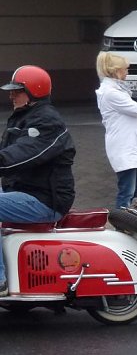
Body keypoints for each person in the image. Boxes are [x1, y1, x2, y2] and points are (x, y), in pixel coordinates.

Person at [0, 65, 76, 296]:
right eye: (11, 91)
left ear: (35, 92)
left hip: (45, 200)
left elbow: (22, 155)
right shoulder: (23, 118)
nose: (11, 95)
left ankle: (0, 280)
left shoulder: (47, 123)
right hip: (24, 193)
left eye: (17, 91)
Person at [95, 51, 137, 209]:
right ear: (116, 70)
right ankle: (121, 225)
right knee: (127, 192)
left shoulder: (115, 91)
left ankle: (129, 224)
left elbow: (134, 109)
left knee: (135, 192)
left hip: (131, 147)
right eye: (125, 69)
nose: (127, 72)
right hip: (124, 148)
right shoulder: (111, 93)